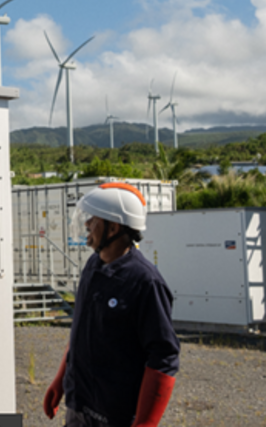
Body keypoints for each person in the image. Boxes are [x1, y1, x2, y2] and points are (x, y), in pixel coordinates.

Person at [43, 183, 179, 427]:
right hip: (79, 406)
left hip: (114, 415)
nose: (86, 224)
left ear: (113, 227)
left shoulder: (145, 282)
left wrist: (145, 424)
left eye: (93, 220)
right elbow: (81, 331)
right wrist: (60, 380)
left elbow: (163, 357)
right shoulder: (93, 267)